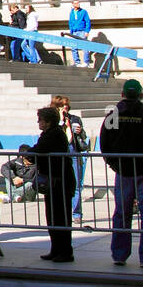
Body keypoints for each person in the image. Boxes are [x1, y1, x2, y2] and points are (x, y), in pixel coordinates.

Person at [100, 79, 143, 267]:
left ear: (122, 95)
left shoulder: (112, 116)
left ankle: (119, 255)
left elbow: (105, 146)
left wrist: (115, 166)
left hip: (123, 172)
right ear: (141, 95)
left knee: (122, 213)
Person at [32, 106, 76, 262]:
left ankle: (65, 251)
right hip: (54, 181)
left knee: (60, 218)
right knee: (52, 217)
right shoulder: (49, 134)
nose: (39, 122)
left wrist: (26, 151)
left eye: (41, 120)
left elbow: (38, 151)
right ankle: (56, 249)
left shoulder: (54, 134)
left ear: (48, 121)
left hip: (60, 182)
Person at [50, 94, 88, 226]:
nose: (65, 108)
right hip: (60, 155)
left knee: (76, 185)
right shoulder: (53, 121)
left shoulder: (75, 119)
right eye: (61, 106)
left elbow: (83, 136)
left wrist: (80, 131)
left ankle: (77, 213)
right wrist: (60, 122)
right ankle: (62, 213)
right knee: (60, 185)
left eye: (66, 106)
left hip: (73, 152)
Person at [67, 0, 92, 66]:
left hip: (82, 31)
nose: (78, 4)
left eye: (78, 3)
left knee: (84, 46)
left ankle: (86, 62)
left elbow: (87, 21)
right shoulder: (71, 12)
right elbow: (70, 22)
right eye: (76, 3)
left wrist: (87, 31)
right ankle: (77, 62)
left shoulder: (83, 11)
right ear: (73, 4)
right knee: (73, 47)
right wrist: (71, 32)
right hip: (74, 32)